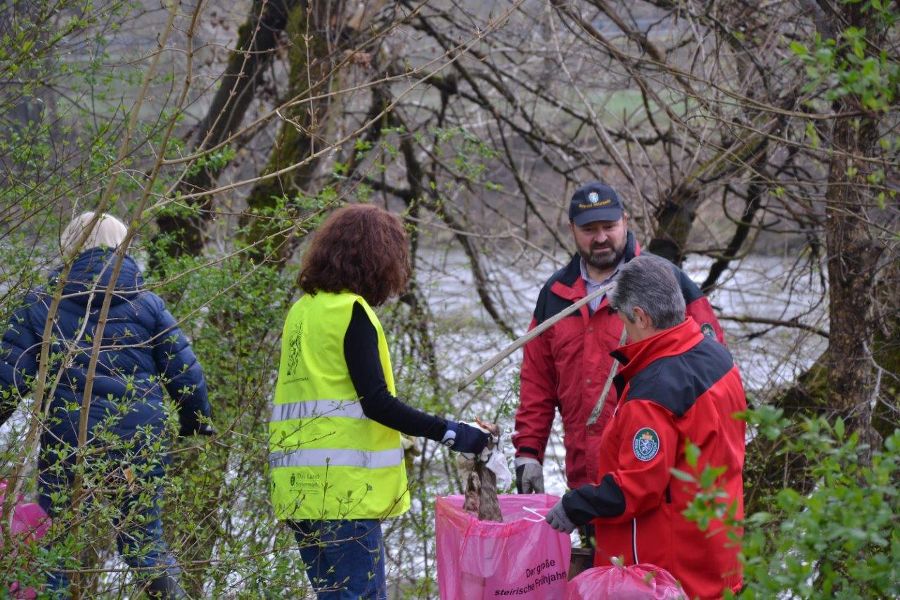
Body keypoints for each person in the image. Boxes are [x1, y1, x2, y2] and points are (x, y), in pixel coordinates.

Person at [268, 204, 491, 599]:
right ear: (376, 261)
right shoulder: (352, 313)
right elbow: (377, 403)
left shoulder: (302, 312)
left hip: (299, 493)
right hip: (343, 496)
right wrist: (453, 432)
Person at [0, 212, 212, 598]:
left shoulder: (40, 304)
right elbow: (185, 370)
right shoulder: (148, 305)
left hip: (68, 443)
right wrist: (197, 420)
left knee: (55, 541)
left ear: (69, 247)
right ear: (123, 247)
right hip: (138, 443)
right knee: (144, 542)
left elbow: (9, 377)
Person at [544, 254, 746, 599]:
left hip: (671, 572)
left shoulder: (654, 391)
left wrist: (576, 505)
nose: (623, 332)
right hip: (716, 556)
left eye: (624, 320)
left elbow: (635, 490)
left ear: (640, 316)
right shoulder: (715, 356)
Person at [513, 182, 725, 499]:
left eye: (609, 226)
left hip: (656, 479)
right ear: (572, 229)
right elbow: (537, 384)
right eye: (589, 229)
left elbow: (713, 373)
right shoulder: (555, 295)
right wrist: (529, 452)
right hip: (586, 480)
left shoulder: (664, 280)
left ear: (625, 221)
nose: (600, 238)